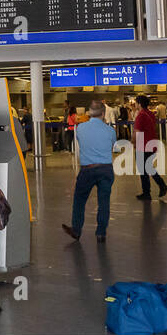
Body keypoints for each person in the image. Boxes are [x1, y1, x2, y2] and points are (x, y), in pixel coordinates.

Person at [62, 101, 117, 243]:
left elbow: (82, 143)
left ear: (89, 113)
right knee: (104, 202)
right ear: (103, 114)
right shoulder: (110, 130)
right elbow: (112, 144)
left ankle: (76, 229)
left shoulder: (80, 128)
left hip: (87, 169)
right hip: (106, 169)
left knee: (80, 200)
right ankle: (101, 233)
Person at [133, 94, 167, 201]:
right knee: (148, 167)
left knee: (143, 170)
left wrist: (133, 142)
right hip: (152, 144)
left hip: (143, 145)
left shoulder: (141, 115)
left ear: (139, 104)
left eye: (136, 102)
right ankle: (160, 186)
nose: (135, 104)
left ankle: (148, 192)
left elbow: (138, 132)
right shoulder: (151, 114)